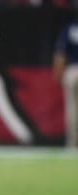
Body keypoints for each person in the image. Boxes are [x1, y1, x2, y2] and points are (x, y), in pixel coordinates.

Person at [54, 14, 78, 149]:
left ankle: (73, 145)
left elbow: (60, 54)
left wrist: (58, 74)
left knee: (73, 110)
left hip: (73, 71)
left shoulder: (71, 28)